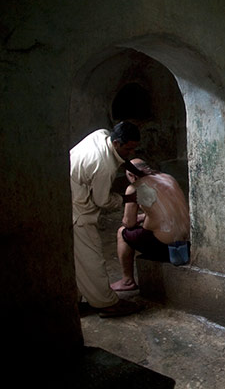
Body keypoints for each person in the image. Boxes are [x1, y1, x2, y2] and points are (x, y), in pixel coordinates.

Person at [70, 121, 143, 317]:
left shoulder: (101, 134)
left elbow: (120, 158)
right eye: (128, 149)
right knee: (91, 259)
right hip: (78, 211)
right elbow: (102, 201)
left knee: (77, 260)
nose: (131, 152)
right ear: (117, 143)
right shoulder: (104, 167)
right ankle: (106, 304)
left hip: (70, 190)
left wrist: (134, 169)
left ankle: (77, 301)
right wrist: (127, 199)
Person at [110, 159, 190, 292]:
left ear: (132, 175)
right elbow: (165, 211)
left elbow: (129, 223)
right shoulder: (168, 178)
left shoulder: (134, 187)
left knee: (122, 232)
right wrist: (144, 216)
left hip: (164, 246)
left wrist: (135, 218)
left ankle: (127, 280)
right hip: (185, 241)